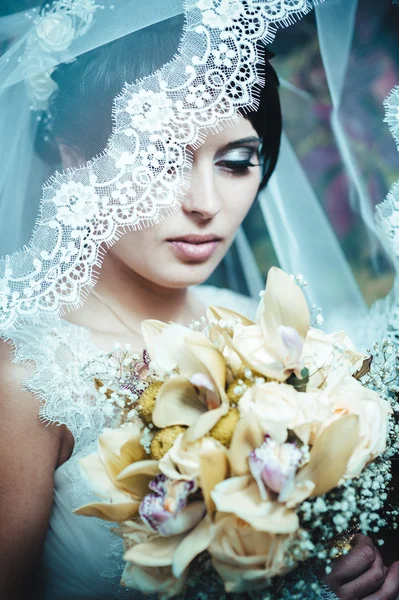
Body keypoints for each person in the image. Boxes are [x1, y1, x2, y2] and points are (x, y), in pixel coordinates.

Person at [0, 1, 398, 599]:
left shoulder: (258, 327)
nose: (206, 203)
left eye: (237, 162)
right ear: (74, 159)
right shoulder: (28, 379)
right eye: (163, 160)